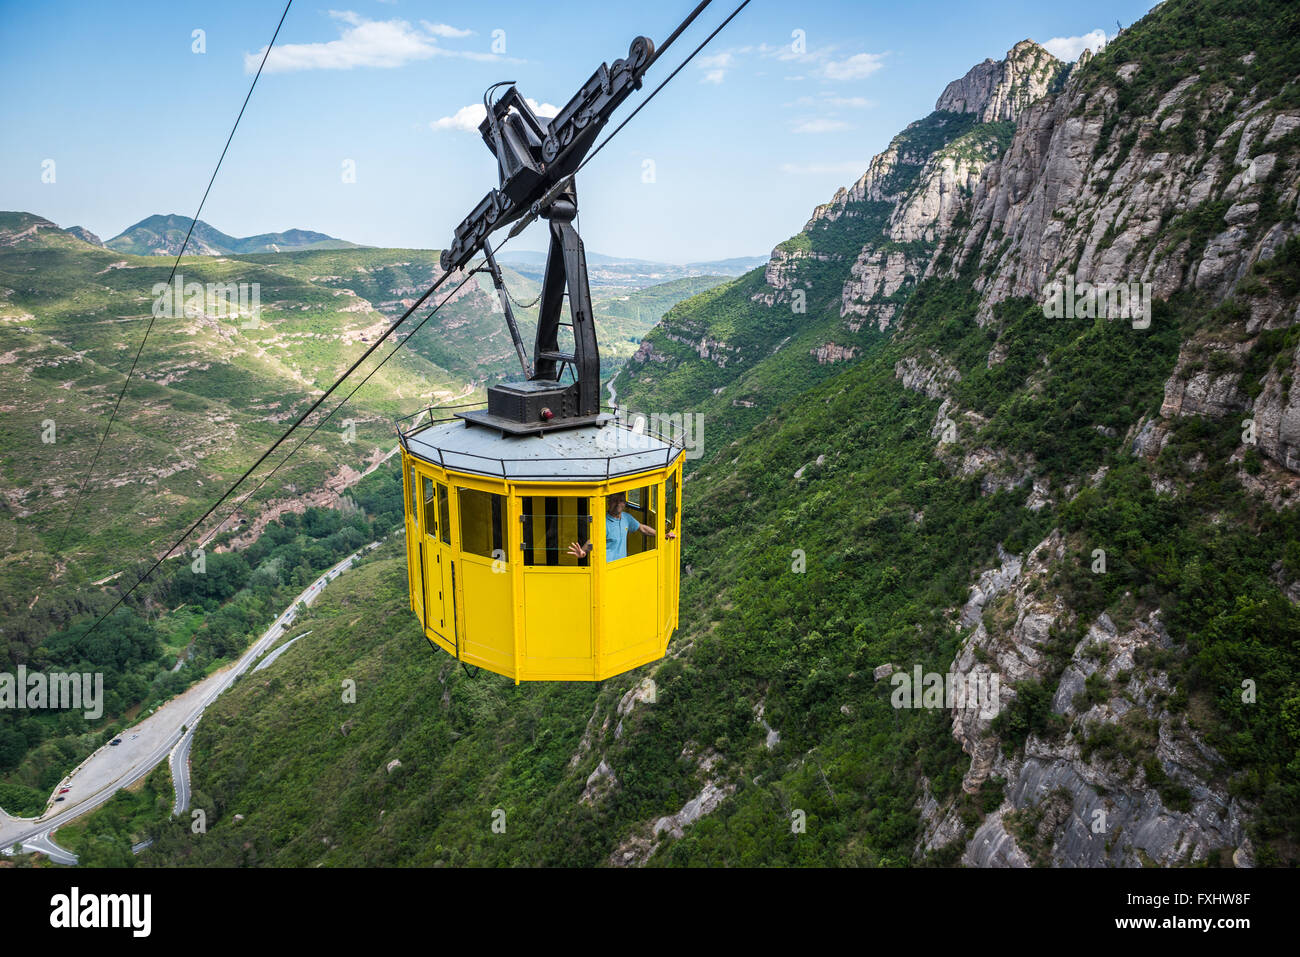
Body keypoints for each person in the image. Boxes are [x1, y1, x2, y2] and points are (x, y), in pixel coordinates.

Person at [568, 491, 675, 562]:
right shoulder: (602, 522)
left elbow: (642, 528)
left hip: (621, 565)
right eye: (615, 500)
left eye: (621, 501)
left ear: (624, 504)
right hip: (607, 567)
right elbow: (592, 541)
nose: (618, 503)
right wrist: (583, 552)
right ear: (609, 502)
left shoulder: (626, 518)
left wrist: (663, 535)